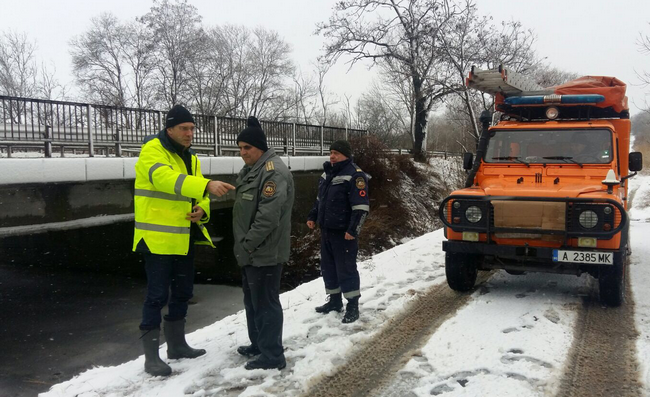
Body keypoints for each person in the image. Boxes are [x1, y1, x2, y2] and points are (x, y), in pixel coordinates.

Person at [133, 104, 235, 376]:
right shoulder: (152, 150)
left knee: (182, 293)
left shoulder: (191, 158)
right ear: (170, 129)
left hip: (183, 237)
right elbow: (165, 179)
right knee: (156, 296)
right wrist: (204, 186)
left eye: (192, 128)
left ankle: (176, 345)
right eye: (184, 128)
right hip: (156, 239)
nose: (190, 133)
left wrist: (203, 208)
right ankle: (151, 358)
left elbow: (199, 194)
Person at [232, 116, 295, 370]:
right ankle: (259, 344)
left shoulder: (273, 172)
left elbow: (267, 216)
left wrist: (247, 245)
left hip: (264, 252)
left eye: (247, 147)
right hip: (251, 252)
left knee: (266, 304)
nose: (242, 153)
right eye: (240, 148)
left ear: (260, 147)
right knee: (253, 301)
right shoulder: (252, 170)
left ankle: (272, 356)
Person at [307, 140, 369, 324]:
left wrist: (353, 230)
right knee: (328, 268)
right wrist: (312, 216)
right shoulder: (327, 174)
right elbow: (320, 200)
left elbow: (361, 207)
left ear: (346, 155)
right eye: (331, 152)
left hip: (344, 234)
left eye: (337, 153)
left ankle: (352, 306)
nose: (332, 156)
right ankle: (334, 301)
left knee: (346, 269)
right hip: (326, 230)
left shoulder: (356, 176)